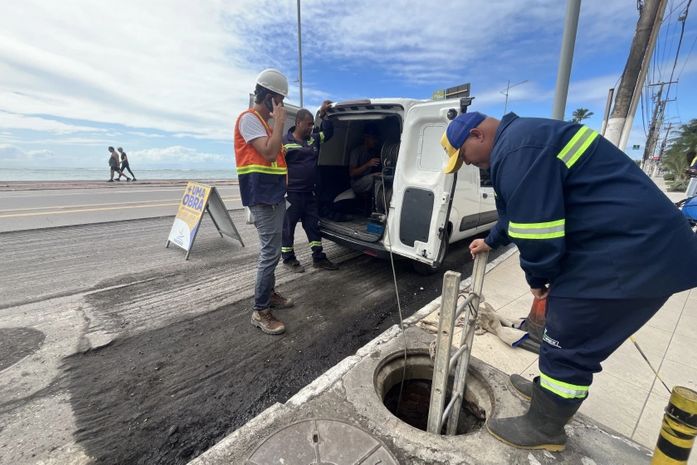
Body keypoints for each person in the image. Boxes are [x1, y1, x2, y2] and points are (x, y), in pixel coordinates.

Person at [440, 111, 697, 451]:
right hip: (631, 248)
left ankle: (546, 427)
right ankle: (550, 394)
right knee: (565, 330)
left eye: (466, 159)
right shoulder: (523, 141)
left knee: (568, 334)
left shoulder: (518, 151)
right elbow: (519, 210)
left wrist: (538, 277)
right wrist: (492, 239)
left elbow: (537, 230)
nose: (471, 166)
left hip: (632, 255)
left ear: (477, 135)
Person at [234, 68, 293, 336]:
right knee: (269, 254)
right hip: (262, 198)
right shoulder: (249, 119)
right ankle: (260, 310)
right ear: (271, 98)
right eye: (280, 100)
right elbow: (269, 153)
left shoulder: (262, 123)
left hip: (275, 197)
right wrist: (280, 122)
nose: (281, 106)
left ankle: (268, 294)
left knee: (274, 249)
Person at [281, 102, 339, 273]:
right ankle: (288, 258)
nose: (311, 128)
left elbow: (328, 133)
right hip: (291, 194)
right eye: (309, 124)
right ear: (298, 123)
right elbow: (276, 166)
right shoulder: (285, 142)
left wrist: (323, 115)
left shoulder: (314, 138)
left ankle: (318, 258)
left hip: (310, 193)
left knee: (313, 225)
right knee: (288, 226)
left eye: (312, 125)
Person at [348, 123, 381, 194]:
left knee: (381, 176)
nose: (375, 141)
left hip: (367, 179)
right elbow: (352, 173)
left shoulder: (373, 152)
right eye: (373, 138)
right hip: (357, 183)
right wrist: (368, 164)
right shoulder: (356, 152)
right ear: (366, 137)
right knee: (375, 178)